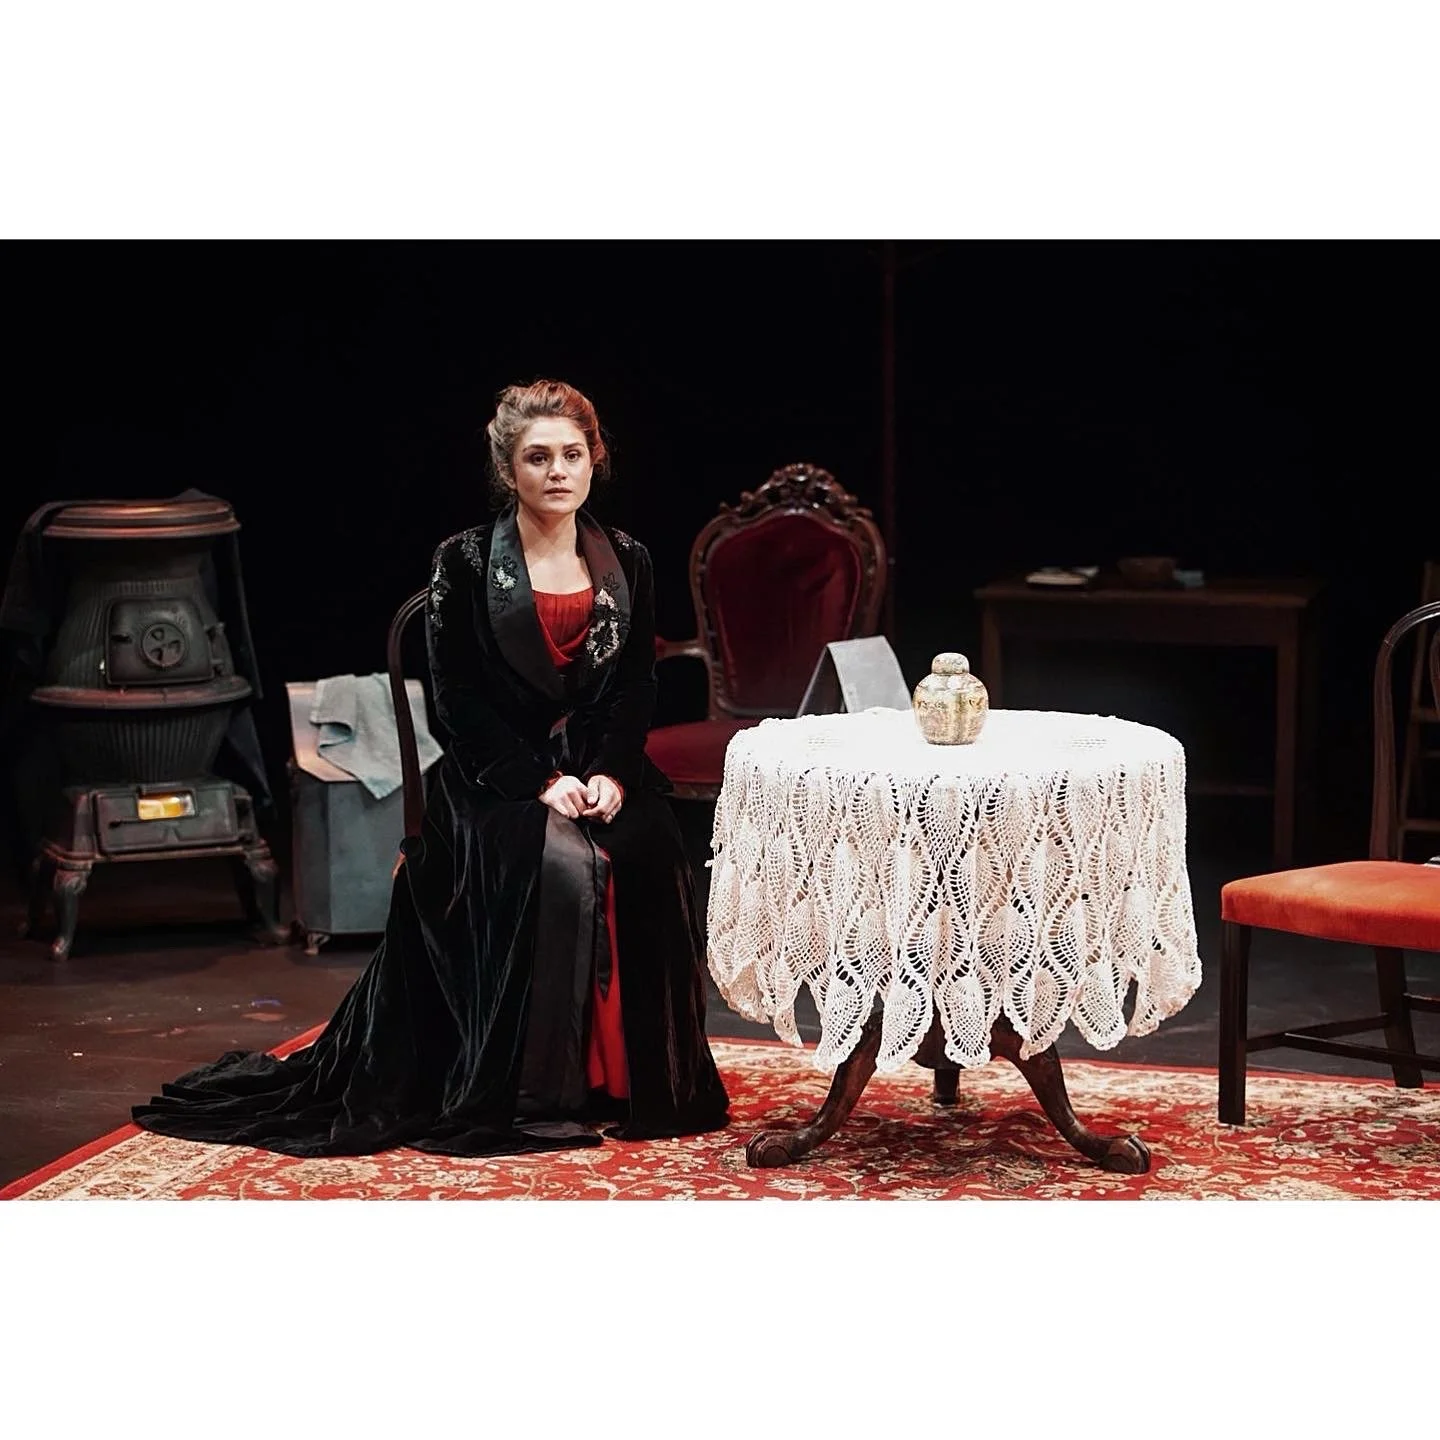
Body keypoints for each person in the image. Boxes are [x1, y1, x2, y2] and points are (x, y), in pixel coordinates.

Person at [133, 380, 730, 1156]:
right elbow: (458, 704)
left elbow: (636, 687)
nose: (557, 471)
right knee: (551, 859)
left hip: (599, 768)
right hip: (495, 777)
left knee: (644, 848)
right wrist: (538, 782)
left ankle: (635, 1085)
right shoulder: (467, 560)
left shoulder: (630, 562)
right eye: (537, 457)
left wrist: (613, 772)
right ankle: (538, 1089)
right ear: (508, 469)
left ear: (595, 462)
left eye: (572, 455)